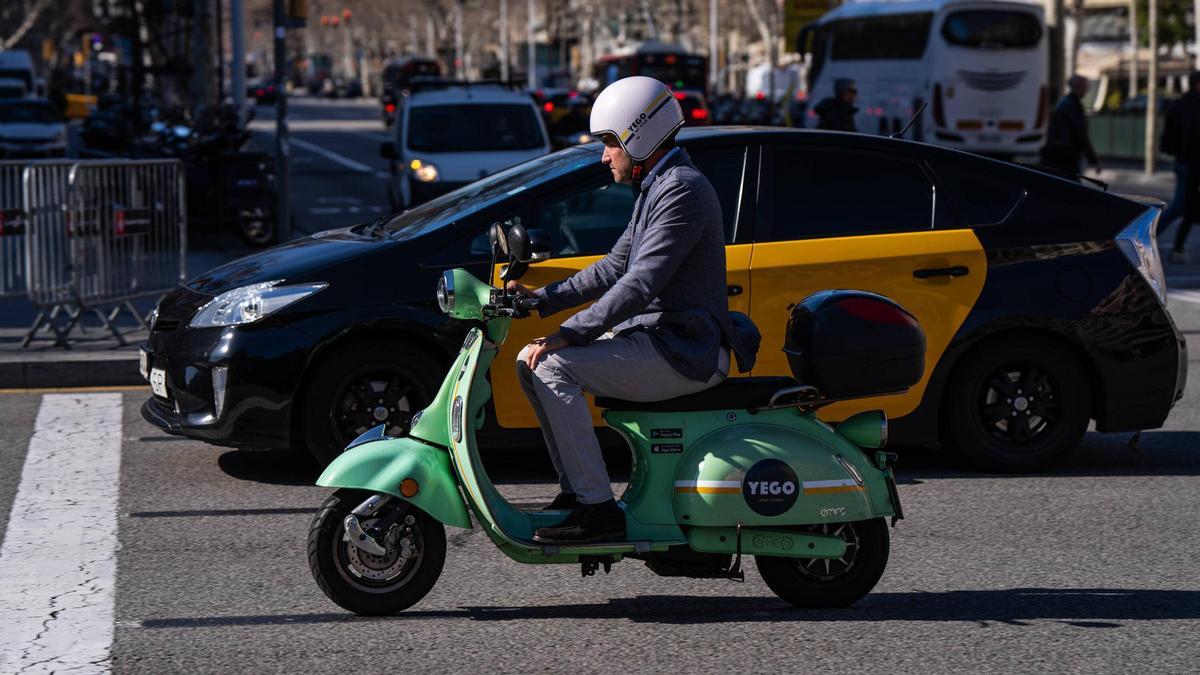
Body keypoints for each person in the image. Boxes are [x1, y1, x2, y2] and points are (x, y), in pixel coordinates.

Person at [509, 76, 761, 544]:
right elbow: (612, 266)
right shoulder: (658, 186)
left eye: (610, 143)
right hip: (659, 339)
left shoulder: (681, 190)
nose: (605, 155)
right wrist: (540, 301)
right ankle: (576, 492)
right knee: (530, 361)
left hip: (684, 348)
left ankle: (597, 509)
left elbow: (641, 283)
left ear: (637, 136)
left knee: (552, 366)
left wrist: (570, 333)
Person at [1158, 71, 1200, 263]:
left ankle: (1176, 247)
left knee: (1183, 205)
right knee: (1181, 206)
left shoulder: (1179, 105)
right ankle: (1152, 239)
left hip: (1182, 162)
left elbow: (1169, 136)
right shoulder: (1195, 105)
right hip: (1193, 163)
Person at [1040, 75, 1101, 176]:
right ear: (1079, 87)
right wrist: (1093, 160)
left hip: (1059, 152)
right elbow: (1081, 133)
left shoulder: (1065, 102)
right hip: (1067, 155)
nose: (1087, 90)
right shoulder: (1073, 105)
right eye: (1085, 87)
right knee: (1072, 185)